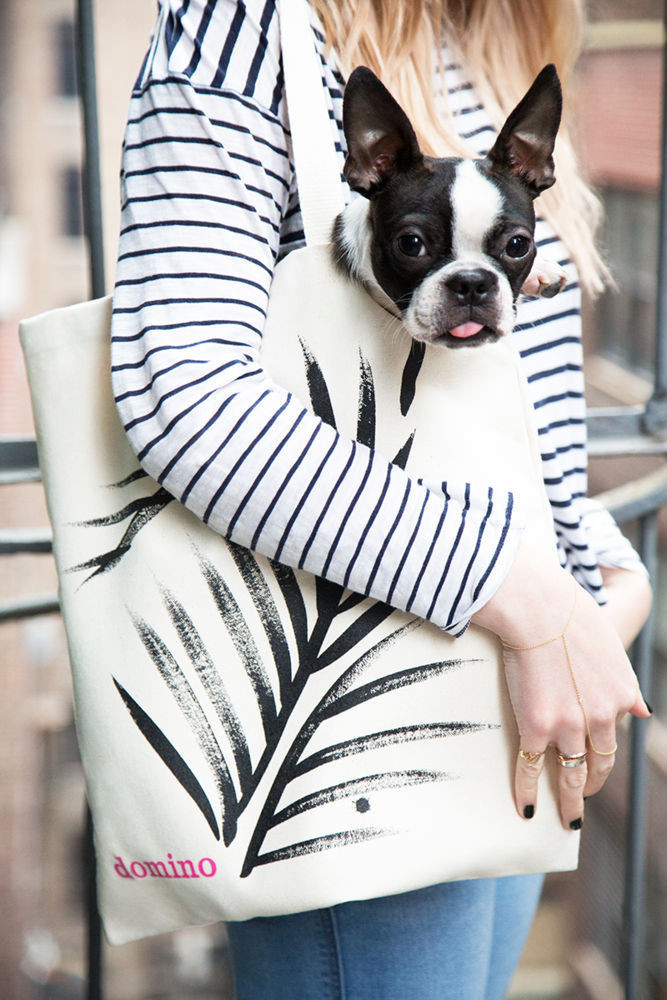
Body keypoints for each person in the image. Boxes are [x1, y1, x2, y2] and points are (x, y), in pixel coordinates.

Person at [110, 1, 653, 996]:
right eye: (421, 251)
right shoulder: (244, 23)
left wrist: (607, 586)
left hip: (521, 704)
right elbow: (181, 391)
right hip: (347, 710)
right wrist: (528, 593)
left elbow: (529, 417)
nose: (476, 282)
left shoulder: (497, 44)